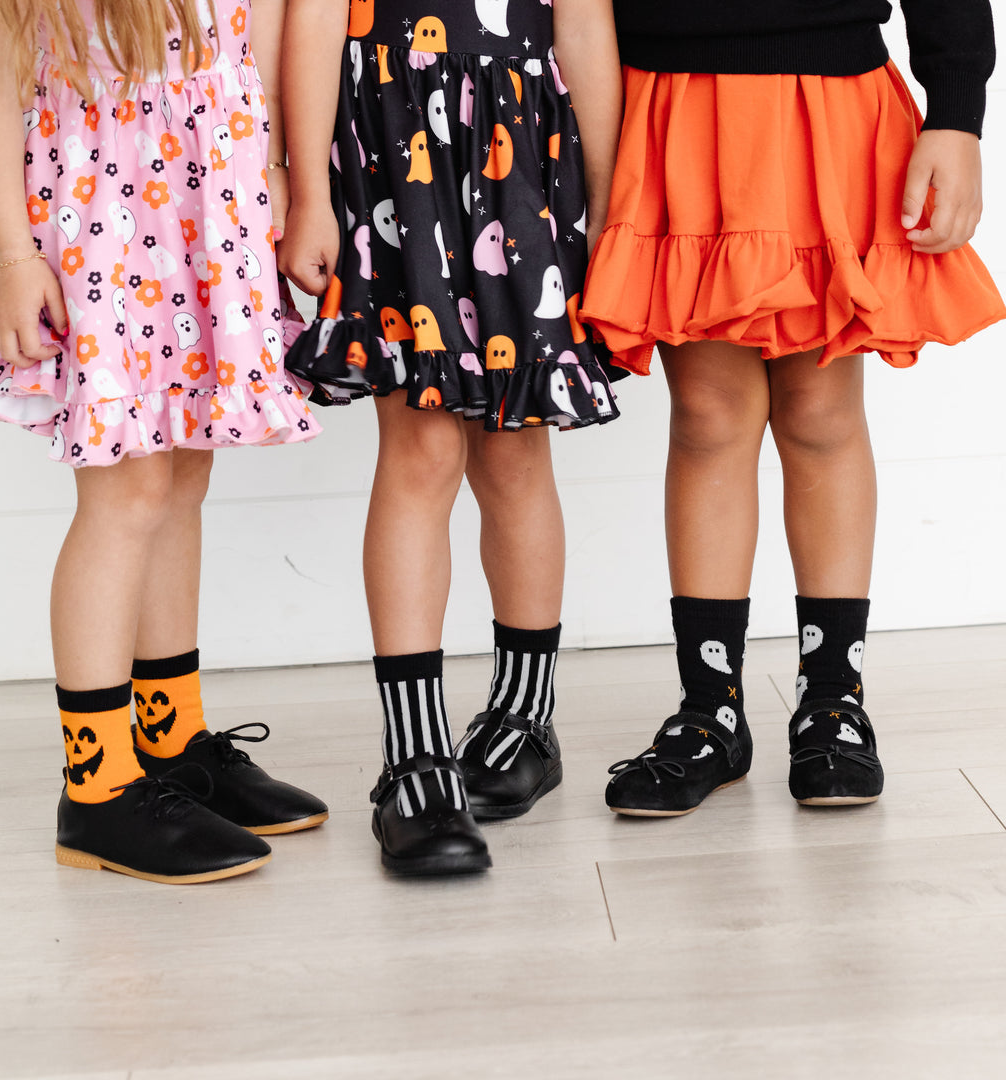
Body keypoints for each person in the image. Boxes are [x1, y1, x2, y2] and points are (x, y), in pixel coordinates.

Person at [581, 0, 1005, 816]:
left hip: (829, 101)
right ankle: (710, 712)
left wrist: (957, 112)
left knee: (820, 408)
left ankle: (832, 702)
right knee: (707, 413)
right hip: (671, 101)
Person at [0, 0, 328, 883]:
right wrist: (12, 256)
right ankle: (96, 785)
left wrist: (268, 166)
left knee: (183, 477)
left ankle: (169, 737)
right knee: (126, 492)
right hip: (105, 212)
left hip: (210, 192)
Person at [280, 0, 622, 873]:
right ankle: (413, 756)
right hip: (389, 138)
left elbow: (582, 25)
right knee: (422, 446)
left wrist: (613, 207)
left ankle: (524, 718)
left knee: (515, 446)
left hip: (522, 147)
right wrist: (308, 190)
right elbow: (314, 18)